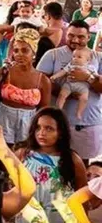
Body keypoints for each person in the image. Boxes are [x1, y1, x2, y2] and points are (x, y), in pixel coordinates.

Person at [37, 20, 102, 160]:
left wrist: (88, 78)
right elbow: (40, 81)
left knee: (82, 168)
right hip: (55, 125)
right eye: (71, 35)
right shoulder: (52, 54)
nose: (75, 40)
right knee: (51, 166)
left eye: (81, 37)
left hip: (87, 124)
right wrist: (64, 91)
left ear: (89, 37)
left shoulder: (98, 57)